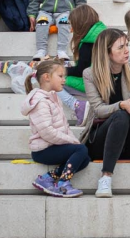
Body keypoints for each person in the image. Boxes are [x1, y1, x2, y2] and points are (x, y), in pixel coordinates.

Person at [82, 29, 130, 198]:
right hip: (101, 142)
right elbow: (98, 109)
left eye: (127, 45)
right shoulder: (90, 74)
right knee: (121, 114)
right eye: (120, 47)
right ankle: (105, 178)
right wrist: (121, 105)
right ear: (107, 52)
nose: (126, 51)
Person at [23, 59, 89, 198]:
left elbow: (64, 126)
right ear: (47, 77)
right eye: (60, 76)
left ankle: (48, 178)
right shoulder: (40, 102)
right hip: (43, 150)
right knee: (80, 150)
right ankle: (63, 183)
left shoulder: (53, 97)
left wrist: (71, 140)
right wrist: (71, 141)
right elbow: (47, 132)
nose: (64, 80)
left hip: (53, 145)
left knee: (84, 158)